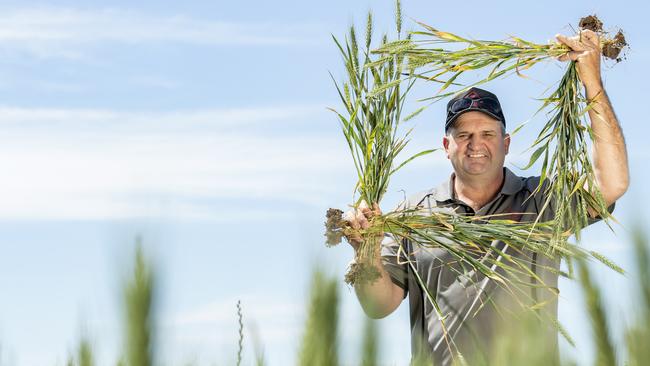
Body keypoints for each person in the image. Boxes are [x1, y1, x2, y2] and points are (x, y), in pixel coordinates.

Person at [343, 29, 629, 365]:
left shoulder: (542, 201)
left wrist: (590, 81)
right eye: (463, 134)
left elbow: (612, 183)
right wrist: (366, 250)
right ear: (447, 146)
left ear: (505, 144)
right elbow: (379, 305)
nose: (475, 144)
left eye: (487, 134)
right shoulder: (413, 215)